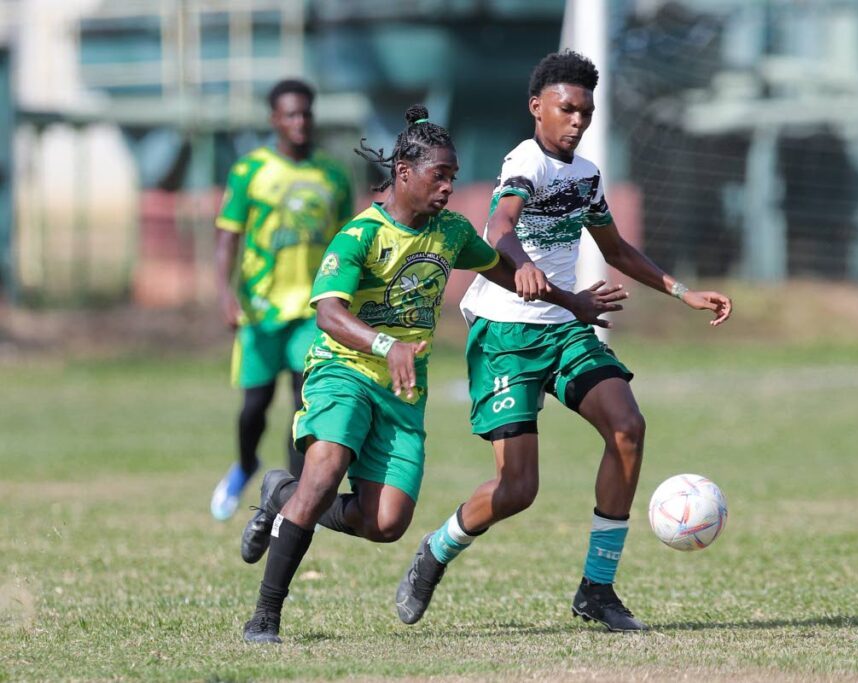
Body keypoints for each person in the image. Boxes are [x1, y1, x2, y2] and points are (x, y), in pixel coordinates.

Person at [240, 104, 626, 644]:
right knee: (325, 470)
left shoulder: (450, 232)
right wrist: (384, 342)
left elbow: (509, 273)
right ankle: (265, 616)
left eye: (453, 177)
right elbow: (327, 311)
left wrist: (572, 301)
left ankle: (281, 496)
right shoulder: (361, 234)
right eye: (438, 176)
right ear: (403, 173)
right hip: (343, 369)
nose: (448, 187)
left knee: (387, 524)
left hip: (402, 390)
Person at [392, 50, 733, 633]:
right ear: (537, 108)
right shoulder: (525, 163)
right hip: (505, 334)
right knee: (518, 488)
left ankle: (597, 589)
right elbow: (498, 226)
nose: (577, 120)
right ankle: (437, 550)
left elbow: (618, 249)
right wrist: (520, 263)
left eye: (586, 111)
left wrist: (681, 291)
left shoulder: (586, 175)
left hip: (566, 324)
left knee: (628, 427)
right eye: (566, 108)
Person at [210, 79, 353, 521]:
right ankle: (247, 463)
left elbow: (347, 243)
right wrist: (225, 294)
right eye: (290, 114)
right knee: (255, 404)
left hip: (312, 310)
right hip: (260, 307)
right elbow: (227, 238)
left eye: (306, 113)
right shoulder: (250, 170)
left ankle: (288, 501)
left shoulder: (333, 176)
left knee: (301, 405)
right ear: (274, 119)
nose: (299, 122)